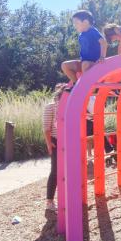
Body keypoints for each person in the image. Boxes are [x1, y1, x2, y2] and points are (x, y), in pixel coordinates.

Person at [61, 10, 108, 84]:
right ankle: (76, 84)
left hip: (95, 63)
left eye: (76, 23)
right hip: (84, 63)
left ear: (85, 22)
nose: (74, 25)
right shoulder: (81, 35)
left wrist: (102, 57)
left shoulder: (92, 31)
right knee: (65, 65)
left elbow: (103, 43)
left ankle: (87, 85)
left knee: (85, 64)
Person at [42, 83, 67, 211]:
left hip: (68, 142)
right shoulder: (51, 107)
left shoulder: (69, 106)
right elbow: (46, 128)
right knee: (56, 171)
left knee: (68, 171)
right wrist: (49, 144)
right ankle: (49, 201)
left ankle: (66, 198)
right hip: (56, 141)